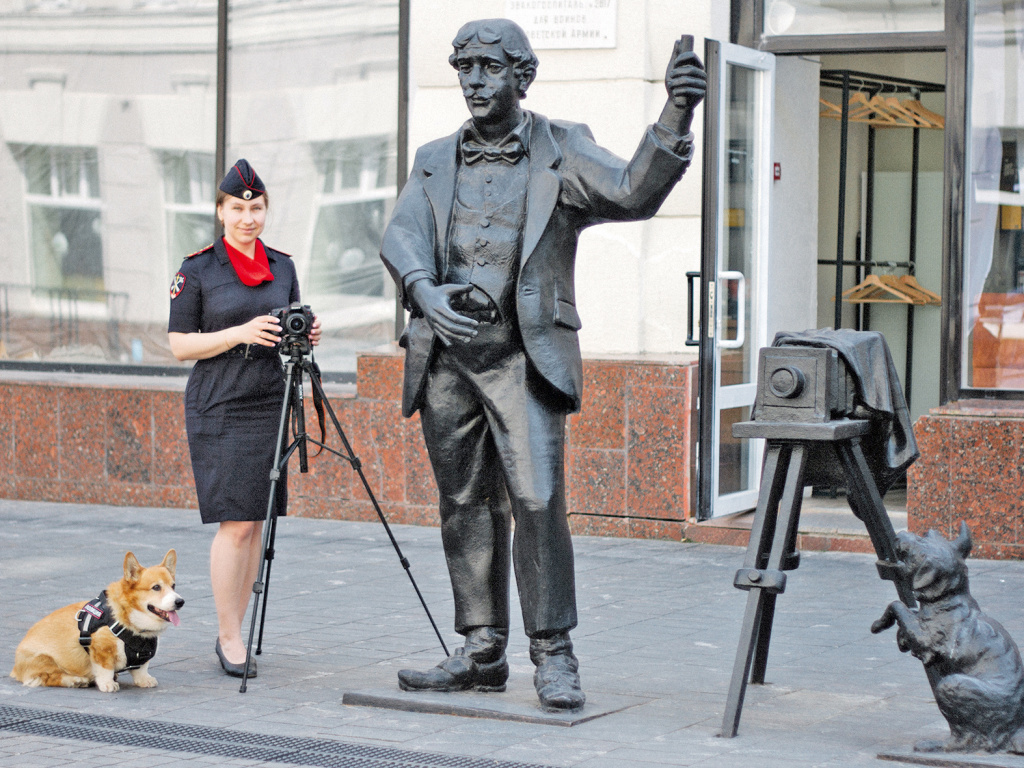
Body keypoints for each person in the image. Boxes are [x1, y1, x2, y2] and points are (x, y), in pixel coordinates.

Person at [380, 19, 706, 710]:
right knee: (462, 503)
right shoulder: (435, 157)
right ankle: (480, 648)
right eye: (463, 67)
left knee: (536, 501)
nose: (473, 81)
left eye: (488, 68)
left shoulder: (563, 149)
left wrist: (675, 112)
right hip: (447, 363)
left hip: (523, 360)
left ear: (522, 77)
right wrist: (423, 291)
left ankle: (553, 650)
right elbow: (402, 232)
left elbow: (632, 190)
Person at [167, 159, 321, 678]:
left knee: (256, 523)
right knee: (234, 525)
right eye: (237, 208)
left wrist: (306, 334)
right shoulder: (198, 269)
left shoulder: (282, 265)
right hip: (219, 403)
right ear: (220, 211)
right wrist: (239, 333)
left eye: (256, 208)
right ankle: (228, 636)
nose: (248, 217)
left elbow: (292, 323)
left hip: (268, 401)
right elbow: (179, 345)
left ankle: (238, 623)